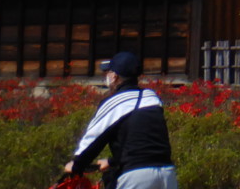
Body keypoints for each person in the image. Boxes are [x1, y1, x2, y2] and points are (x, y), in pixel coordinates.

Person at [63, 50, 177, 189]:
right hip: (167, 174)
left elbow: (93, 140)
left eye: (108, 72)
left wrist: (76, 165)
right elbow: (143, 145)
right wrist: (112, 161)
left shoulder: (115, 102)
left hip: (136, 177)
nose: (106, 76)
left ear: (115, 76)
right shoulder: (151, 98)